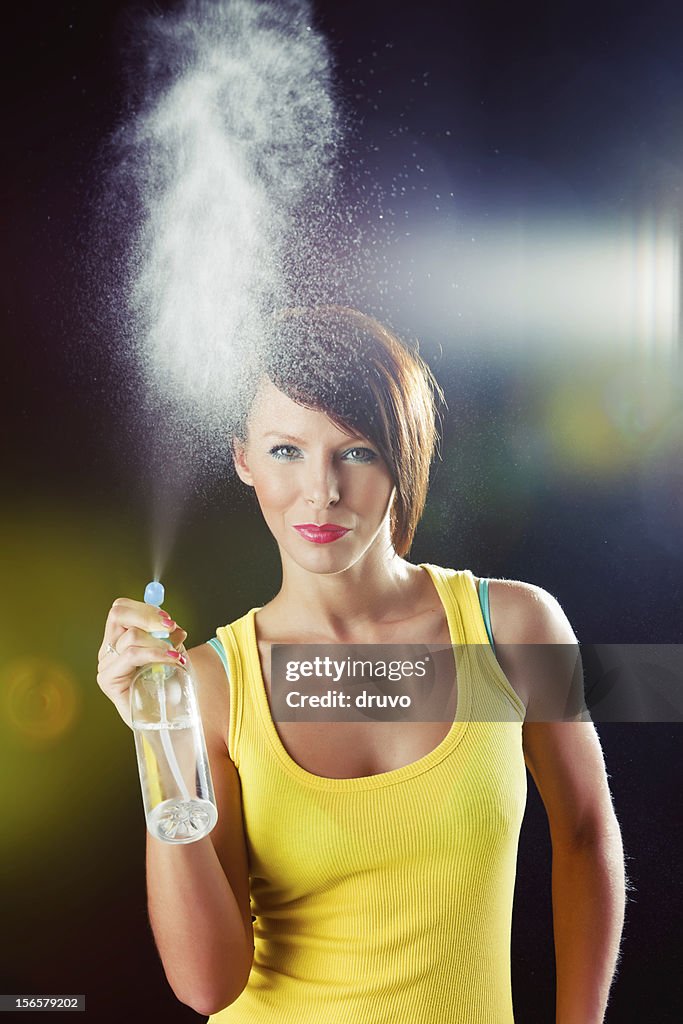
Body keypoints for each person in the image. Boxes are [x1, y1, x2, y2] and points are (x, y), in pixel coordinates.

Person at [97, 306, 626, 1023]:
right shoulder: (207, 687)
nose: (320, 491)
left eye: (356, 451)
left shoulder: (517, 627)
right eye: (286, 450)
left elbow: (586, 833)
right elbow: (206, 984)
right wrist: (157, 734)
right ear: (243, 458)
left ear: (403, 456)